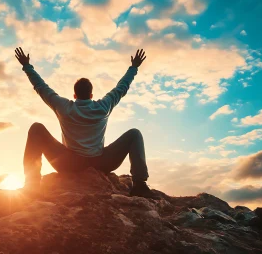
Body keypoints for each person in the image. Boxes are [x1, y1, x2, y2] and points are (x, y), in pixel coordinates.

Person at [15, 47, 156, 199]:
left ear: (75, 95)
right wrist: (134, 67)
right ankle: (140, 185)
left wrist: (26, 66)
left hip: (69, 164)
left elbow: (41, 87)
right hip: (101, 163)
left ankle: (32, 185)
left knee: (37, 128)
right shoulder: (103, 106)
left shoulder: (63, 107)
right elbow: (122, 87)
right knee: (134, 134)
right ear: (91, 95)